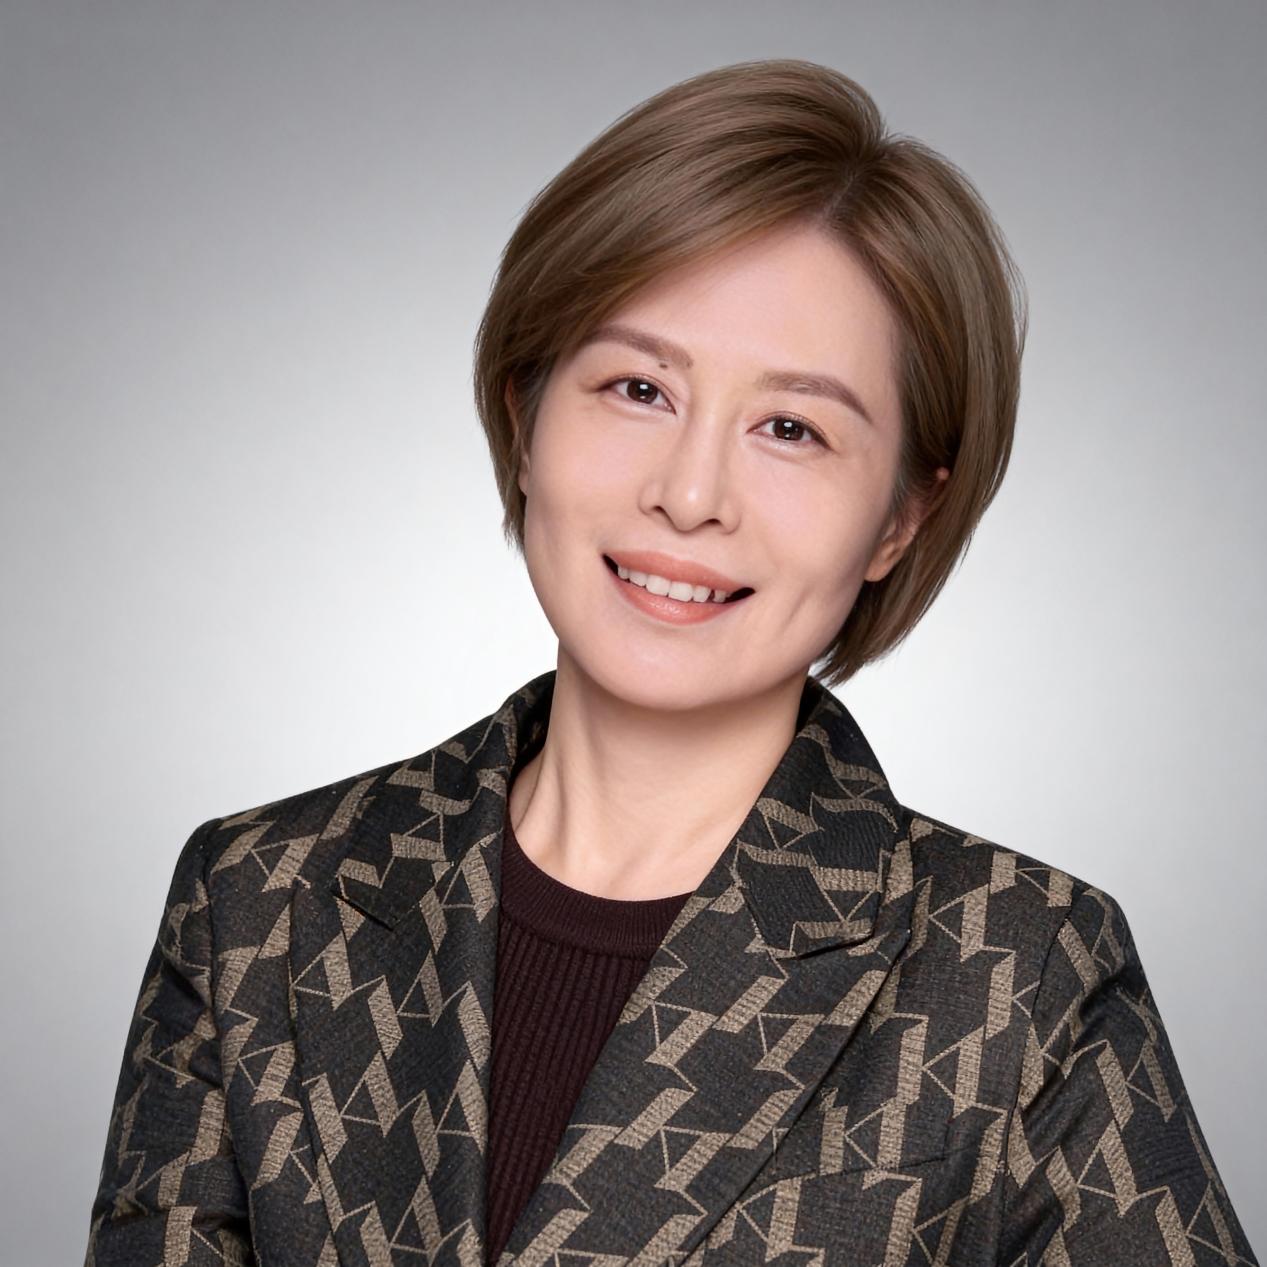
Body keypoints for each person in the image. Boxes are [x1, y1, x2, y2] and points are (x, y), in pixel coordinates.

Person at [87, 61, 1256, 1267]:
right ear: (525, 416)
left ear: (900, 518)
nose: (690, 494)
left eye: (791, 428)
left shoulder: (1015, 972)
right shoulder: (259, 901)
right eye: (637, 387)